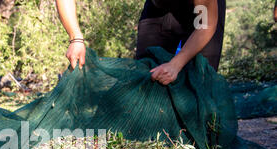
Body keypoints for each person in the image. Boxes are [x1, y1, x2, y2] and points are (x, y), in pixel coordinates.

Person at [56, 0, 226, 86]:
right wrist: (75, 38)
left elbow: (205, 25)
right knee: (148, 75)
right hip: (159, 7)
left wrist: (175, 64)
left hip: (202, 12)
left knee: (201, 80)